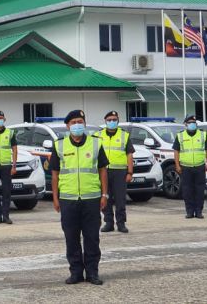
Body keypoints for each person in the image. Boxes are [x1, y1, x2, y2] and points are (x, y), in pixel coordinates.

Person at [50, 110, 109, 285]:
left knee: (92, 237)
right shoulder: (59, 145)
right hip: (68, 200)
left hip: (91, 199)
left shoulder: (95, 144)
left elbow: (103, 171)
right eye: (74, 122)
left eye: (80, 121)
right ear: (68, 126)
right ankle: (76, 272)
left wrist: (104, 194)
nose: (77, 125)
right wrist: (55, 198)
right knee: (71, 237)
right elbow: (55, 174)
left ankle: (92, 273)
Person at [94, 111, 134, 233]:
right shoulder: (97, 135)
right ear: (105, 121)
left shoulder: (124, 135)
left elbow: (129, 154)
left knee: (120, 199)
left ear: (118, 120)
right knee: (105, 197)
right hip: (103, 171)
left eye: (114, 119)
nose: (112, 121)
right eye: (109, 119)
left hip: (120, 172)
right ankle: (108, 223)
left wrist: (130, 172)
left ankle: (121, 223)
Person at [173, 115, 207, 218]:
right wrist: (177, 165)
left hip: (200, 166)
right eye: (190, 123)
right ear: (186, 124)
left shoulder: (203, 135)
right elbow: (176, 151)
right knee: (187, 190)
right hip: (185, 167)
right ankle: (189, 211)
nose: (192, 124)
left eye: (194, 123)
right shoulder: (180, 136)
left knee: (200, 190)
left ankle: (199, 211)